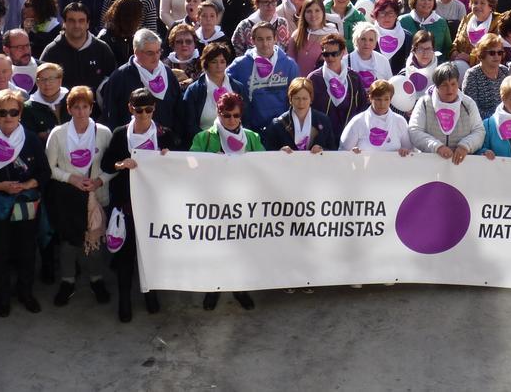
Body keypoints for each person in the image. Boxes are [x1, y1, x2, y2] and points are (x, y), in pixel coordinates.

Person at [0, 89, 50, 317]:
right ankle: (3, 296)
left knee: (27, 250)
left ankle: (26, 293)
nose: (8, 117)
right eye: (1, 112)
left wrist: (28, 185)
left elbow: (45, 172)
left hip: (26, 202)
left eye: (13, 111)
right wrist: (1, 186)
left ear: (20, 114)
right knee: (1, 252)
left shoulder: (31, 139)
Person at [100, 88, 177, 321]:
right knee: (125, 256)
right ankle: (124, 300)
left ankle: (150, 294)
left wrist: (168, 158)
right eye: (139, 109)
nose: (144, 114)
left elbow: (176, 169)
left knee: (150, 254)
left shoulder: (164, 134)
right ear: (130, 109)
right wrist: (121, 164)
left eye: (149, 109)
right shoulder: (120, 133)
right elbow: (106, 164)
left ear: (154, 110)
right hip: (125, 205)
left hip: (154, 206)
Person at [186, 91, 261, 309]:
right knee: (215, 247)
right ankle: (213, 287)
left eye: (236, 115)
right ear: (218, 113)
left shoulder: (252, 138)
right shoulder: (204, 138)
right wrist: (208, 163)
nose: (231, 120)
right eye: (226, 115)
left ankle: (239, 288)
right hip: (213, 203)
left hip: (244, 202)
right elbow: (189, 166)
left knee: (241, 246)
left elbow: (267, 165)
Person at [43, 85, 112, 308]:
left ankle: (96, 279)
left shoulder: (103, 132)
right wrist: (70, 178)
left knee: (95, 239)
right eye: (76, 107)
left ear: (91, 108)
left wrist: (100, 180)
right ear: (69, 109)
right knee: (68, 242)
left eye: (85, 107)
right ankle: (68, 280)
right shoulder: (58, 133)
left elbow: (113, 166)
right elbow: (49, 167)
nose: (81, 112)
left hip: (95, 194)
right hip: (67, 197)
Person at [408, 63, 485, 163]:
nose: (450, 89)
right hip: (429, 162)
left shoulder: (468, 104)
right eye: (444, 85)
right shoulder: (424, 103)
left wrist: (465, 146)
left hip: (462, 163)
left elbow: (479, 131)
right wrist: (437, 147)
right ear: (436, 86)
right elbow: (414, 130)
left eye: (453, 84)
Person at [266, 76, 339, 151]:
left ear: (311, 99)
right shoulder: (278, 124)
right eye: (297, 98)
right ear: (290, 99)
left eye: (305, 98)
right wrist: (280, 152)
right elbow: (269, 152)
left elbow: (332, 149)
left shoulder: (323, 121)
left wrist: (322, 150)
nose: (301, 103)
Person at [341, 79, 413, 153]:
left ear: (391, 99)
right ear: (370, 98)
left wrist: (405, 151)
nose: (382, 104)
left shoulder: (400, 121)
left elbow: (411, 152)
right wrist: (351, 153)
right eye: (378, 99)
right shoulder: (357, 122)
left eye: (386, 99)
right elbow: (342, 152)